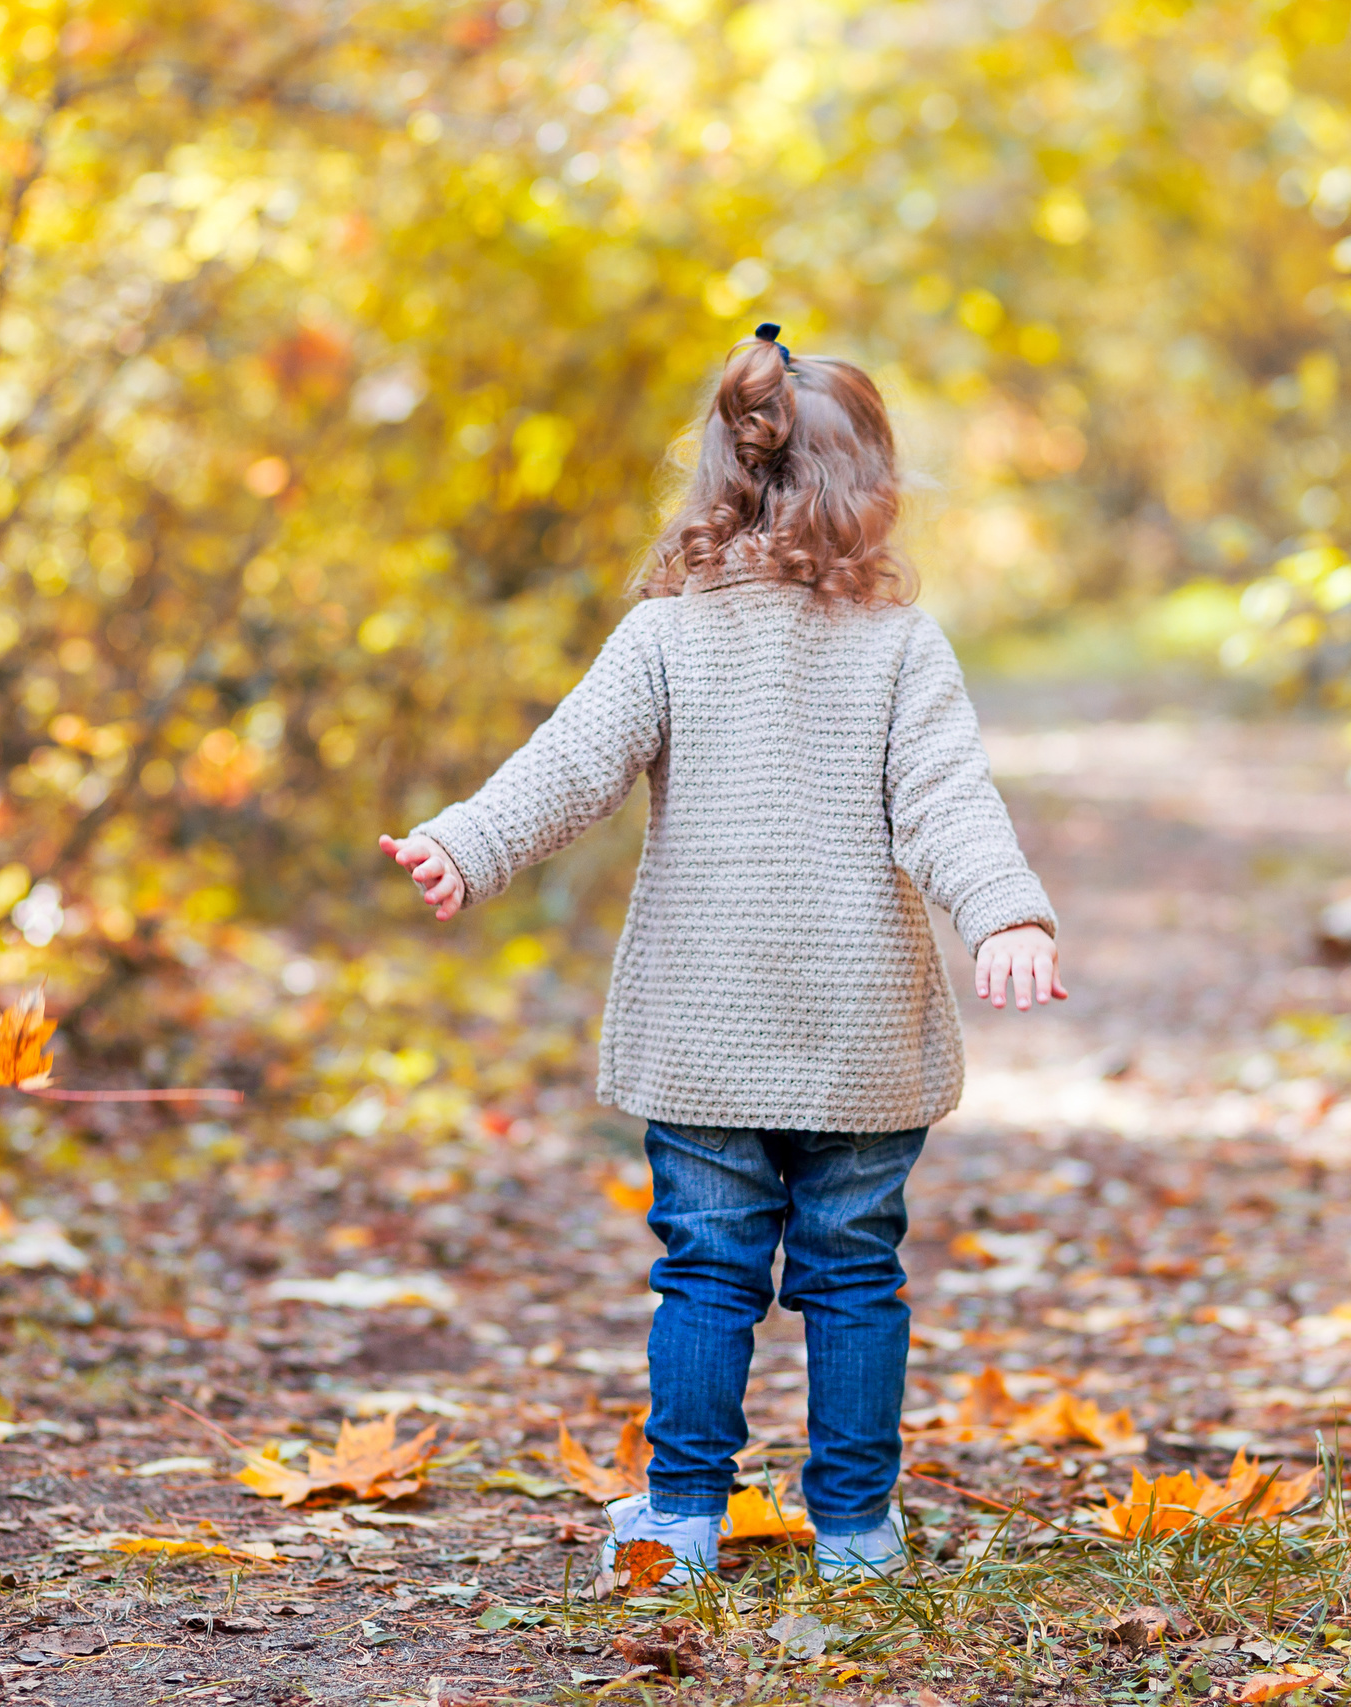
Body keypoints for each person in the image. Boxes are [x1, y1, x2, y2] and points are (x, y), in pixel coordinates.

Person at [379, 324, 1063, 1585]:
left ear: (717, 477)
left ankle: (685, 1515)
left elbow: (567, 766)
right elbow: (949, 803)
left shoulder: (667, 632)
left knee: (705, 1272)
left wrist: (464, 845)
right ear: (874, 494)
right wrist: (1003, 912)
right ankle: (855, 1526)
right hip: (858, 1035)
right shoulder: (901, 644)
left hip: (704, 1031)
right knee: (854, 1277)